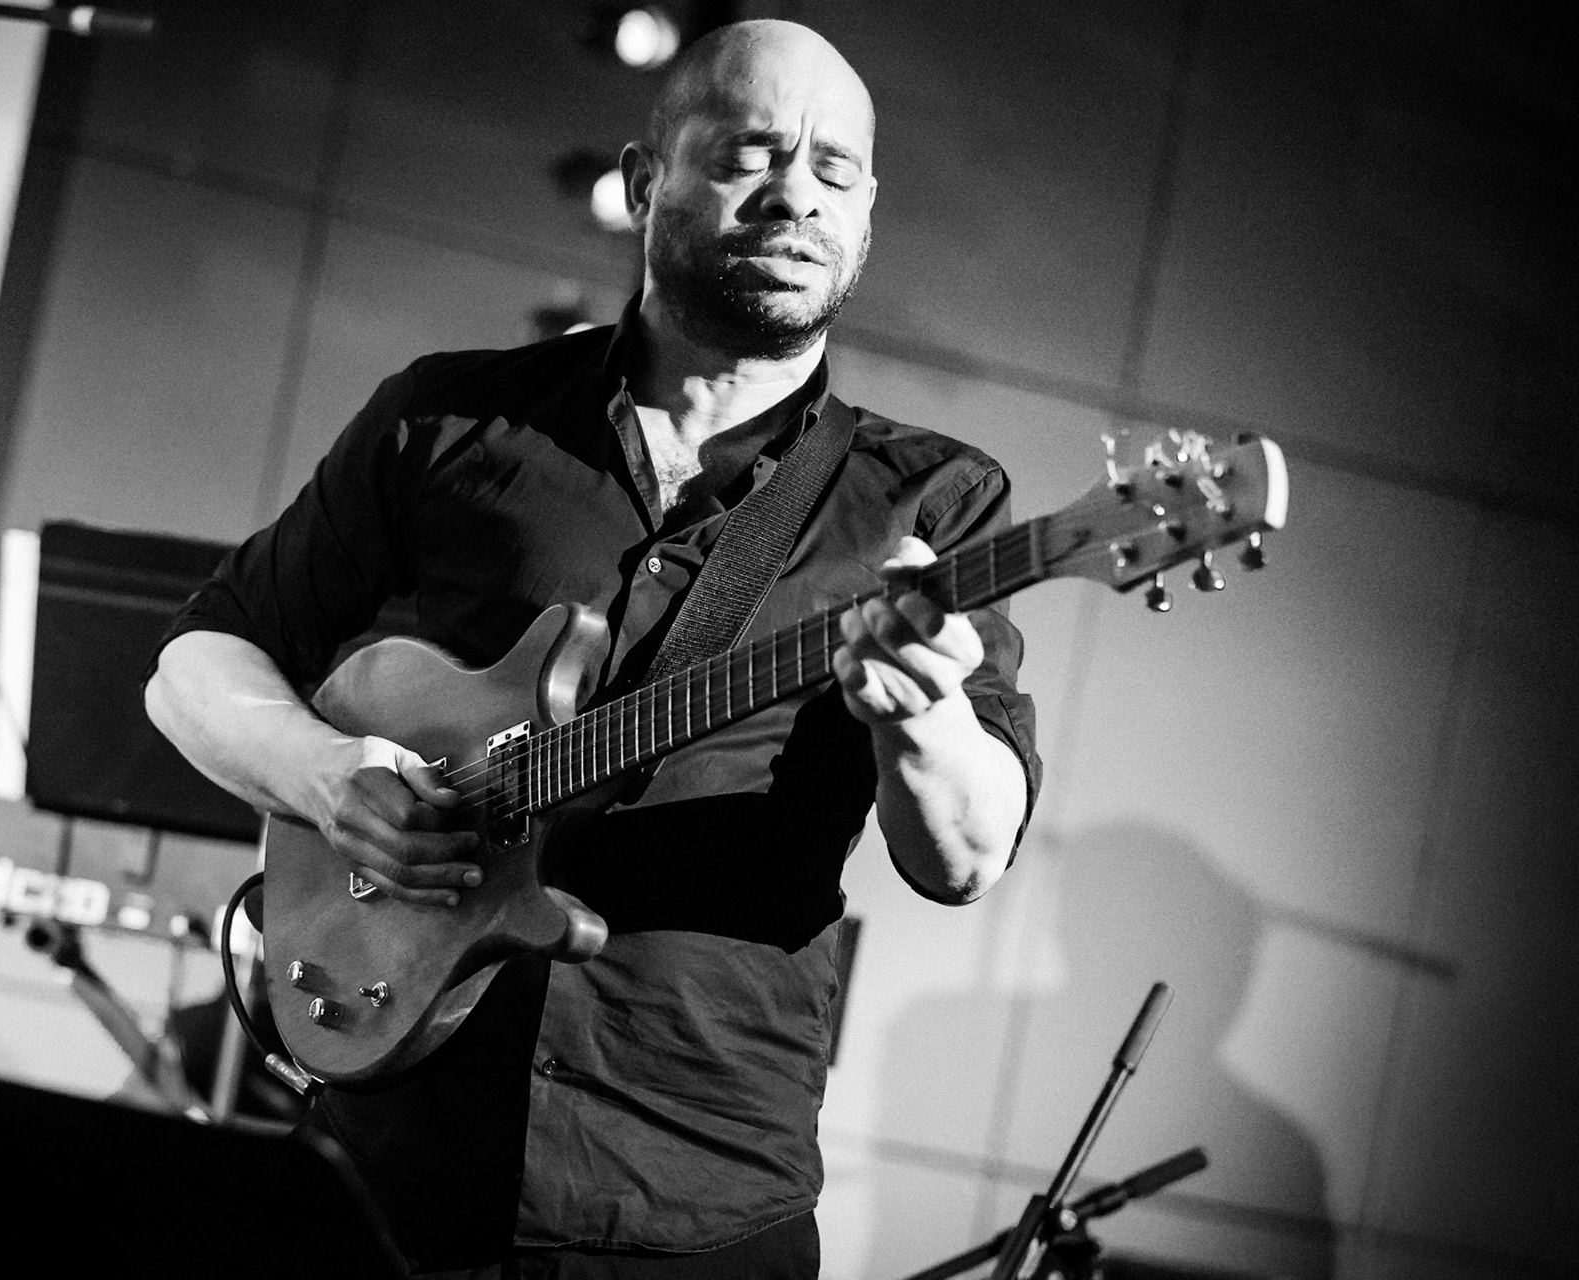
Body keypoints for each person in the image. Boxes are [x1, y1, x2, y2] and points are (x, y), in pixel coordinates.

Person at [146, 19, 1041, 1276]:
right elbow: (197, 660)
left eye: (836, 169)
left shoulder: (930, 505)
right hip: (396, 1167)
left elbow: (965, 859)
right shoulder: (449, 420)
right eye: (751, 152)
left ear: (869, 209)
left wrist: (923, 717)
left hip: (695, 1200)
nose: (795, 193)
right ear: (641, 181)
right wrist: (327, 776)